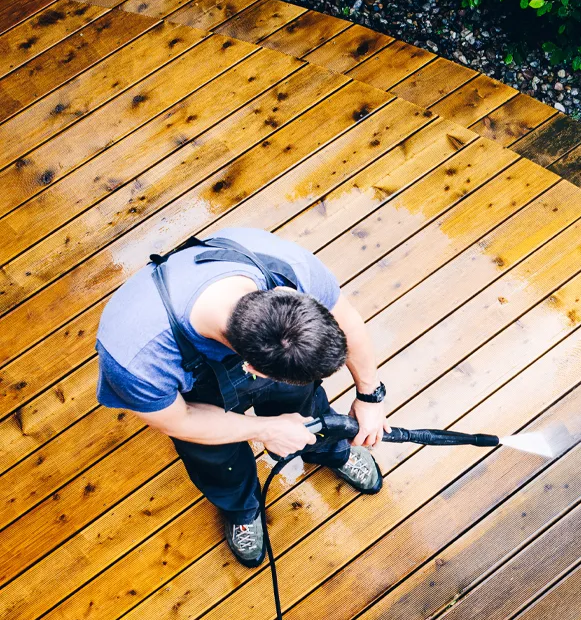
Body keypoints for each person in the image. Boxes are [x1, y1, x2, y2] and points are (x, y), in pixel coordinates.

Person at [96, 227, 388, 568]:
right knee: (216, 457)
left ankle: (329, 449)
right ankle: (242, 507)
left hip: (261, 363)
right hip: (194, 401)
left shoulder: (288, 268)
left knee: (306, 405)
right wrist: (265, 430)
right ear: (252, 368)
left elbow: (347, 321)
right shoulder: (136, 357)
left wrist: (370, 395)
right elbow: (179, 421)